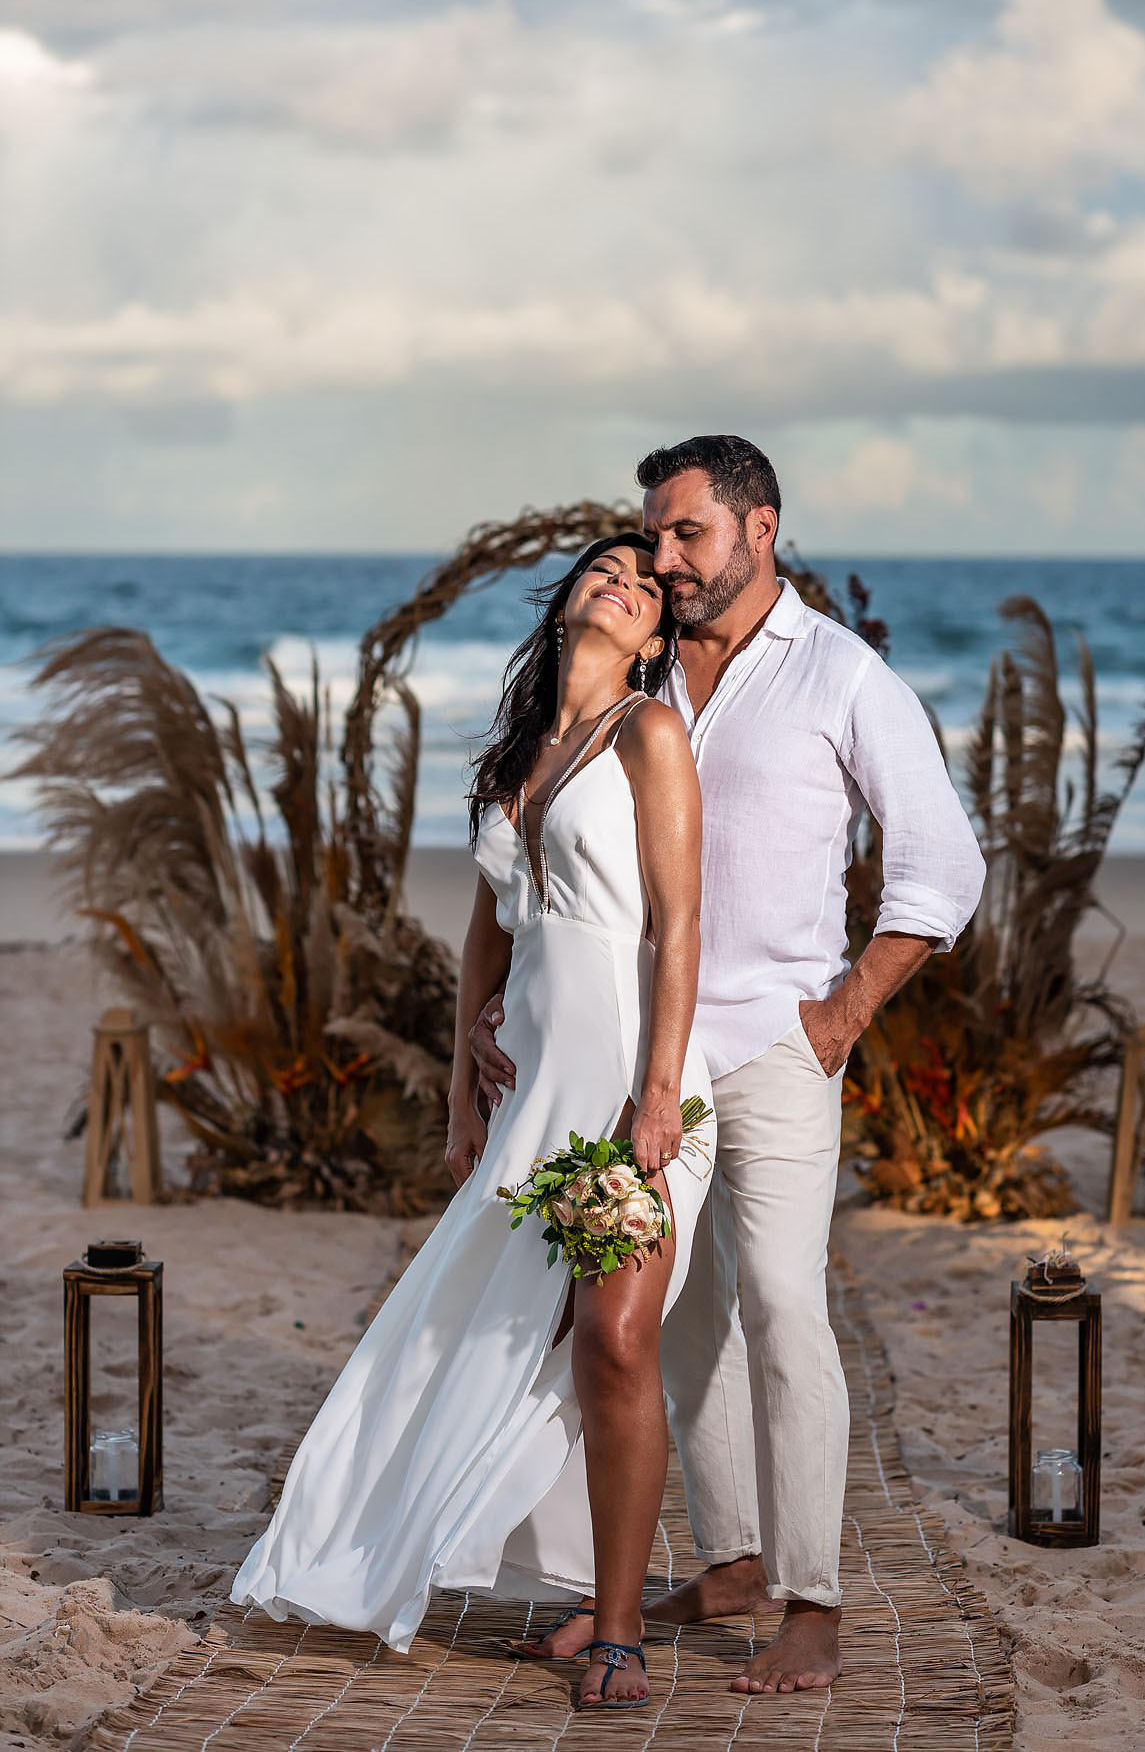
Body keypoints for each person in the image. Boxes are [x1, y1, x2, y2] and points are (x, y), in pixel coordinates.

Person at [471, 436, 987, 1696]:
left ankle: (812, 1596)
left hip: (767, 1044)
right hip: (632, 1052)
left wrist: (844, 1010)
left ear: (761, 528)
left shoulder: (844, 676)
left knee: (780, 1302)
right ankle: (736, 1560)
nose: (664, 558)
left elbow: (942, 865)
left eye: (688, 533)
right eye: (654, 536)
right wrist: (502, 1004)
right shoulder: (639, 676)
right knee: (676, 1327)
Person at [231, 532, 715, 1712]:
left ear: (656, 637)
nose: (626, 583)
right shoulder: (514, 761)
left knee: (614, 1337)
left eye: (648, 587)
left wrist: (657, 1093)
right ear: (567, 608)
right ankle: (455, 1557)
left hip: (630, 1078)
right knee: (488, 1333)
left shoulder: (651, 736)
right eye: (608, 570)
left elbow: (682, 923)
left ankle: (620, 1630)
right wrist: (461, 1085)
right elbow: (488, 936)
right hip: (527, 1092)